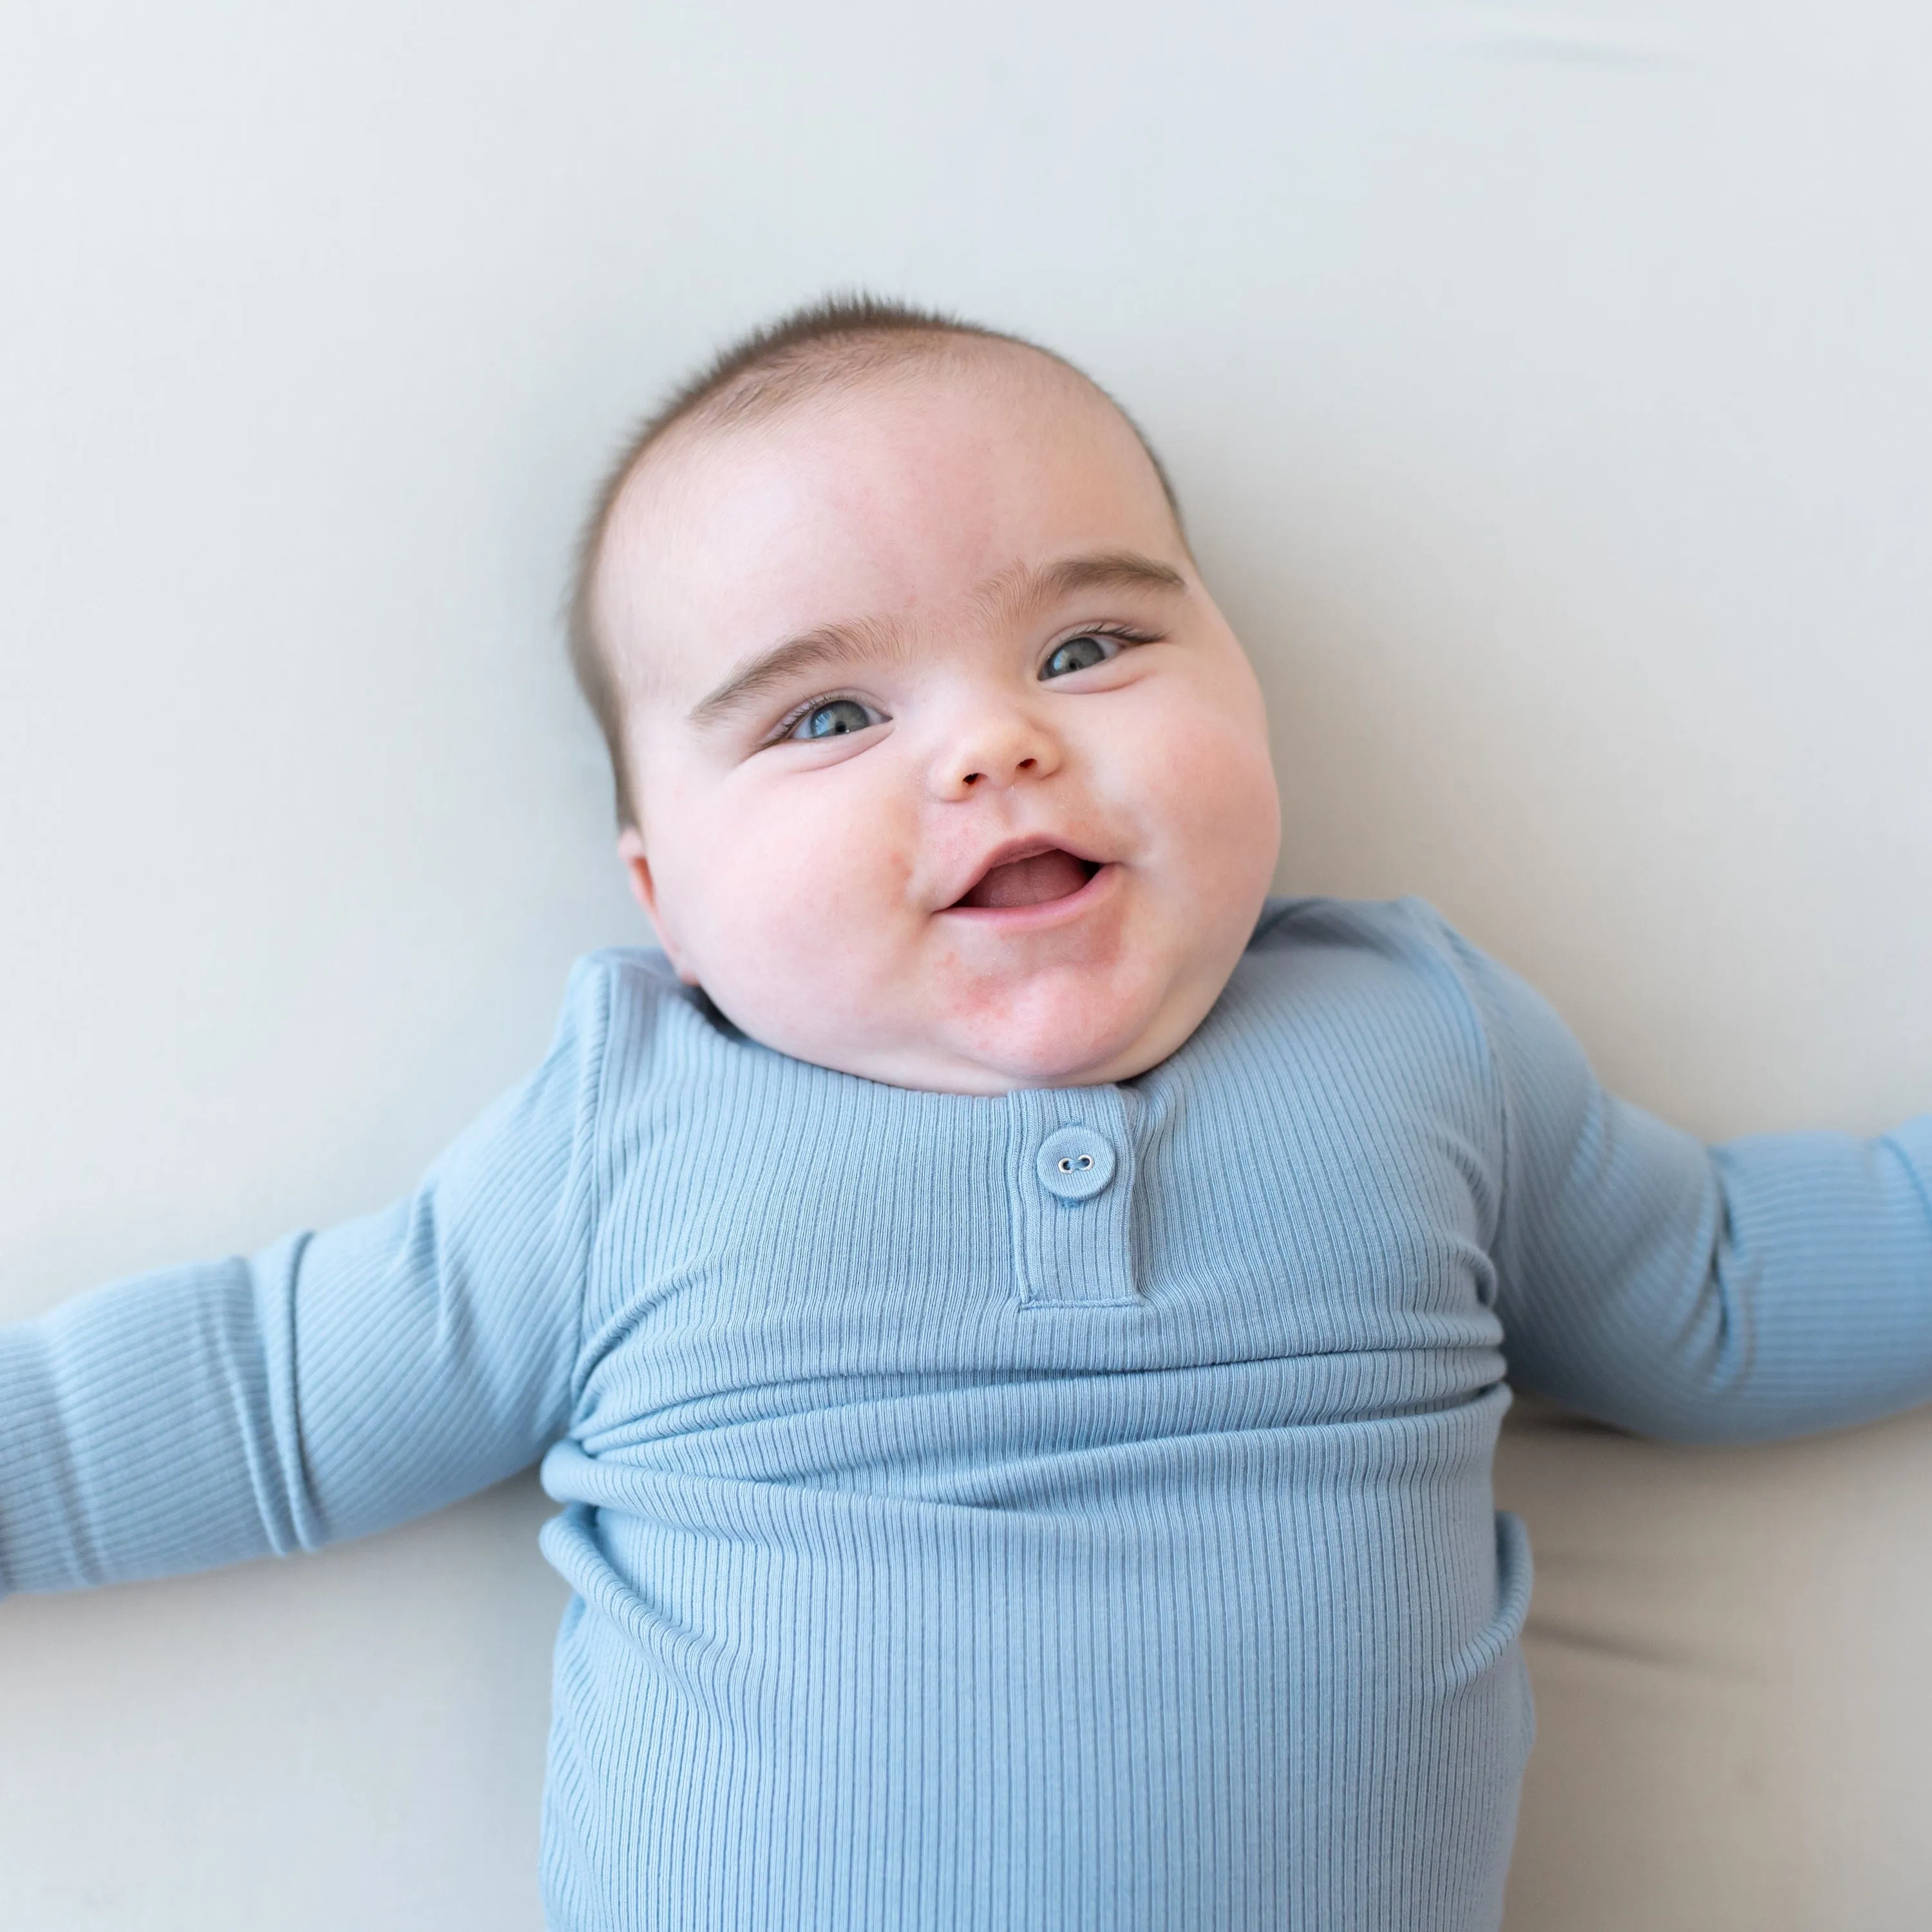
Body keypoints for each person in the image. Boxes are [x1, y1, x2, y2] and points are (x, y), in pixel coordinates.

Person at [4, 295, 1929, 1931]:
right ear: (666, 899)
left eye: (1088, 646)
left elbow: (1725, 1290)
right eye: (826, 718)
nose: (998, 742)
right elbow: (256, 1401)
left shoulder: (1411, 1040)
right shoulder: (632, 1137)